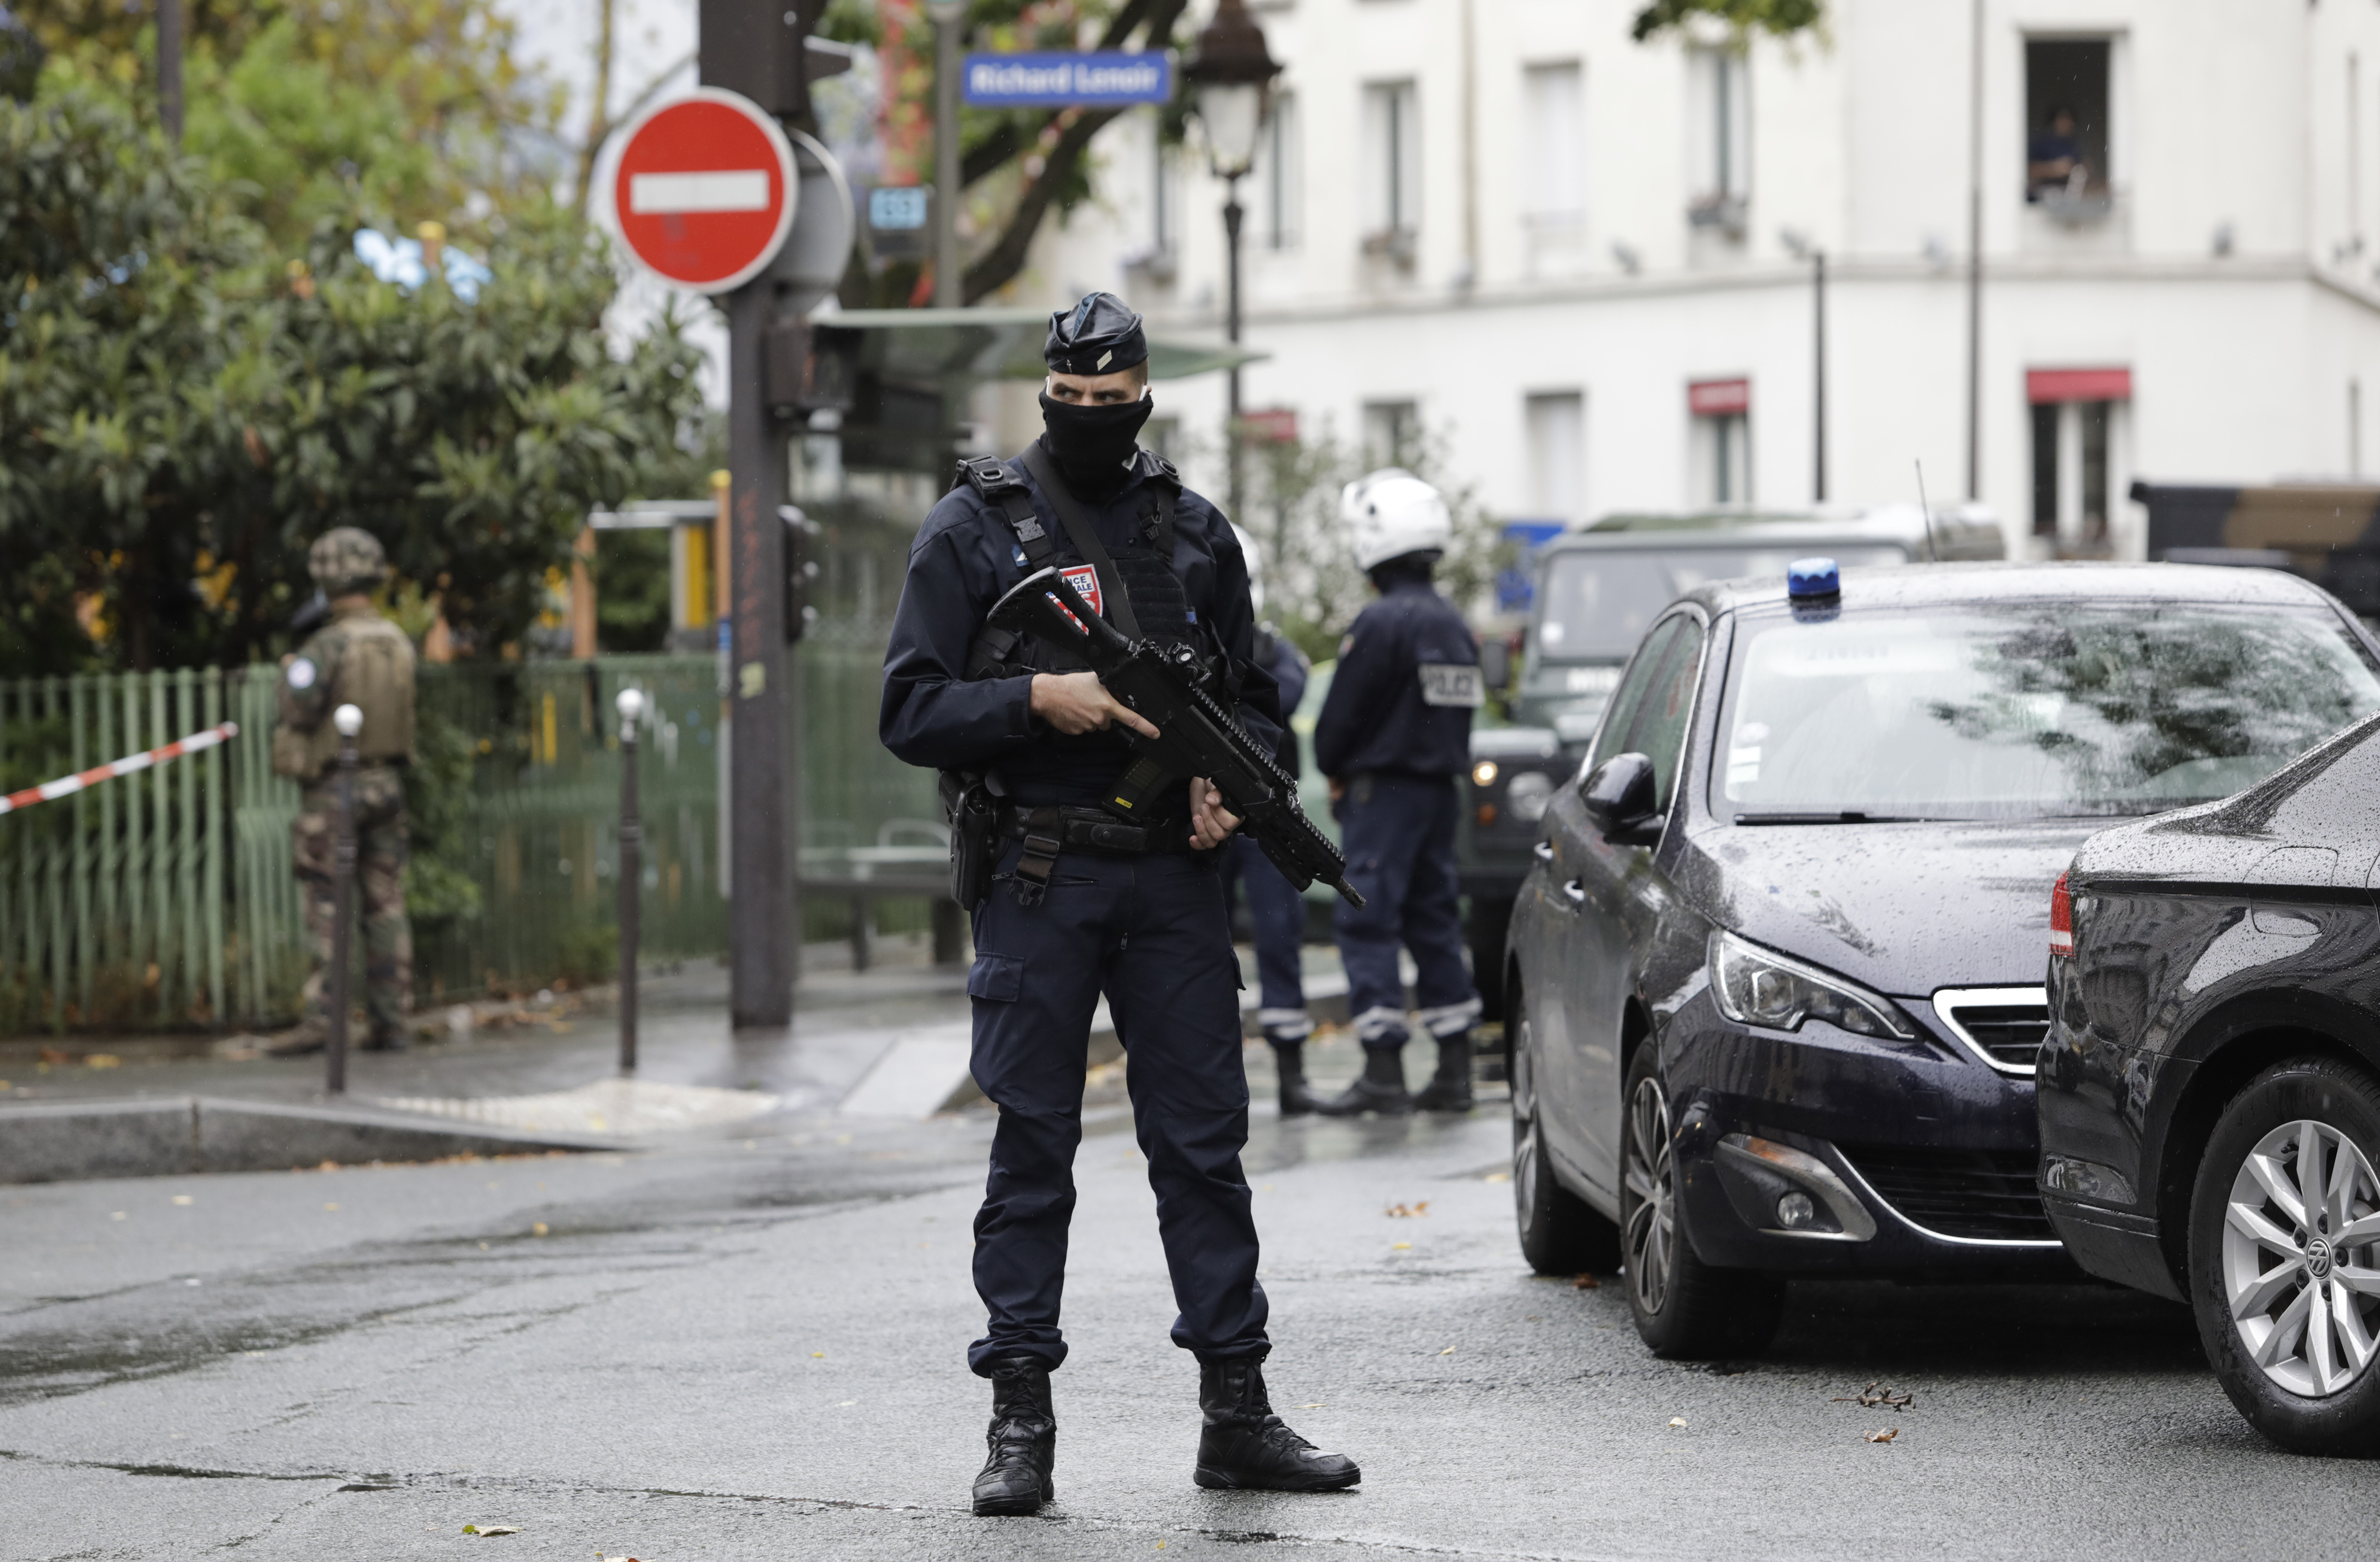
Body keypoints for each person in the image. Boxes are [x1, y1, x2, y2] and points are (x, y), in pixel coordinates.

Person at [879, 292, 1361, 1517]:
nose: (1093, 419)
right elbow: (908, 708)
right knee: (1031, 1145)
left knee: (1202, 1148)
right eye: (1072, 402)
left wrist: (1226, 785)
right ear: (1048, 393)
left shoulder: (1191, 531)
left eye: (1115, 402)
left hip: (1171, 877)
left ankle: (1236, 1411)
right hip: (1040, 873)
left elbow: (1256, 702)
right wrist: (1038, 700)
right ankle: (1019, 1420)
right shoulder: (972, 532)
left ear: (1144, 394)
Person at [1311, 470, 1483, 1117]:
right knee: (1435, 921)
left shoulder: (1382, 622)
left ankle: (1383, 1072)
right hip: (1440, 795)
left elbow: (1341, 719)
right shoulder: (1453, 625)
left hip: (1382, 796)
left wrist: (1333, 762)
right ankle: (1454, 1070)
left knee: (1367, 920)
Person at [266, 527, 418, 1058]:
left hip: (336, 790)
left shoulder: (329, 645)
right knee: (386, 904)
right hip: (387, 785)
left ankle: (321, 1022)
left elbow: (296, 707)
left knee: (327, 908)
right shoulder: (397, 640)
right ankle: (391, 1022)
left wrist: (289, 676)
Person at [1216, 525, 1323, 1116]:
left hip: (1267, 820)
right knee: (1205, 947)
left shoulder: (1275, 655)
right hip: (1204, 821)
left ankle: (1291, 1073)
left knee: (1280, 940)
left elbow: (1284, 698)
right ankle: (1214, 1077)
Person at [2027, 105, 2086, 200]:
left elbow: (2078, 168)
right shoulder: (2041, 143)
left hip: (2066, 195)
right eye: (2062, 119)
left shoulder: (2072, 145)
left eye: (2069, 120)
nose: (2066, 124)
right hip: (2041, 195)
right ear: (2054, 121)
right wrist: (2054, 169)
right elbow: (2029, 170)